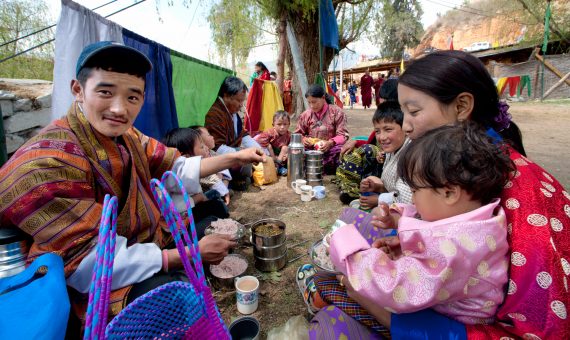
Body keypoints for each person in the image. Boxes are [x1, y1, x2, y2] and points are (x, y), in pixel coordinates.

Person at [0, 41, 265, 325]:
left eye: (132, 97)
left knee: (212, 216)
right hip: (87, 280)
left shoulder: (128, 137)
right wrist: (188, 254)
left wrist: (238, 157)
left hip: (142, 239)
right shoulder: (47, 163)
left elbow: (176, 166)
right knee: (174, 299)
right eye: (105, 92)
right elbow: (89, 264)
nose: (119, 108)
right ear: (78, 90)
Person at [310, 50, 569, 340]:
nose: (406, 125)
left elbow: (537, 330)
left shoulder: (523, 202)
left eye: (414, 111)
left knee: (331, 308)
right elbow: (450, 237)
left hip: (459, 325)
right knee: (351, 225)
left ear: (461, 107)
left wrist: (368, 300)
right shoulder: (465, 167)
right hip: (446, 290)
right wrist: (408, 235)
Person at [328, 122, 514, 332]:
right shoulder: (480, 220)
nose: (413, 199)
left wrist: (350, 252)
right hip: (440, 305)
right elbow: (434, 227)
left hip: (442, 326)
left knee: (329, 291)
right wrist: (404, 229)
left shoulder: (453, 244)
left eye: (415, 190)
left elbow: (396, 288)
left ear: (449, 193)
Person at [335, 79, 404, 205]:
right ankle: (351, 189)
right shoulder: (385, 129)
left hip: (390, 180)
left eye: (385, 102)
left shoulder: (404, 127)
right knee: (350, 154)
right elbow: (371, 139)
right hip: (382, 168)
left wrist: (380, 199)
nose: (381, 106)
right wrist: (355, 141)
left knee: (366, 150)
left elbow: (405, 196)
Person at [205, 76, 262, 190]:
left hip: (230, 156)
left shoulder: (232, 111)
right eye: (239, 100)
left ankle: (238, 178)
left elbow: (243, 134)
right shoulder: (214, 115)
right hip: (218, 159)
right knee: (246, 156)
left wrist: (257, 149)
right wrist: (242, 154)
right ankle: (233, 181)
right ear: (226, 96)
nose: (241, 105)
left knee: (251, 153)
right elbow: (217, 148)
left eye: (242, 101)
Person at [162, 127, 230, 223]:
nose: (206, 148)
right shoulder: (175, 179)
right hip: (181, 224)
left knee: (215, 195)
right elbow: (176, 208)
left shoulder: (191, 170)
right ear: (186, 158)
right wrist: (199, 197)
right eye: (202, 147)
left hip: (194, 204)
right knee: (216, 209)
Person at [294, 84, 349, 174]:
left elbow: (343, 135)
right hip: (311, 150)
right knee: (295, 151)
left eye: (314, 102)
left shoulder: (337, 112)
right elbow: (297, 134)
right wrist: (304, 139)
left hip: (332, 149)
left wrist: (330, 143)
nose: (311, 106)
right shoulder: (306, 115)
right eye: (309, 102)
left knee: (345, 153)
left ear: (323, 98)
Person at [190, 125, 232, 204]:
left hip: (219, 184)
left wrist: (224, 183)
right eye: (202, 146)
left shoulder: (211, 152)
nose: (212, 137)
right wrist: (224, 192)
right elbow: (210, 178)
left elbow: (222, 164)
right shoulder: (195, 164)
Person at [254, 110, 291, 175]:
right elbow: (258, 140)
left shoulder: (289, 135)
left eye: (285, 124)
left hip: (281, 158)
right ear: (273, 125)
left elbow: (293, 147)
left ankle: (278, 167)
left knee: (285, 148)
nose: (282, 127)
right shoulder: (270, 133)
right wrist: (271, 151)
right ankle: (274, 166)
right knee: (269, 146)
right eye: (279, 124)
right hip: (269, 156)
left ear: (289, 125)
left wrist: (287, 154)